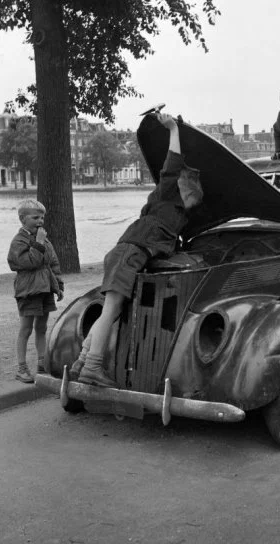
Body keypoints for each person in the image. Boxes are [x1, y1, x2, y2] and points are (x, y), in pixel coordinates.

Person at [72, 115, 204, 388]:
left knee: (114, 309)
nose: (194, 202)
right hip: (130, 253)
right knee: (110, 310)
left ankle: (82, 360)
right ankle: (93, 367)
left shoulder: (176, 215)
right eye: (194, 194)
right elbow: (173, 162)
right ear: (185, 187)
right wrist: (173, 129)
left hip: (126, 252)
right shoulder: (168, 191)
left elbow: (167, 245)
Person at [7, 199, 64, 383]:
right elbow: (28, 263)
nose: (40, 221)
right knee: (26, 329)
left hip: (45, 289)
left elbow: (53, 262)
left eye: (42, 217)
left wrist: (58, 284)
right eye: (35, 217)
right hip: (28, 291)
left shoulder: (44, 239)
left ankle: (42, 363)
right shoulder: (19, 241)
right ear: (23, 219)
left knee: (42, 327)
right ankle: (22, 368)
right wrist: (38, 243)